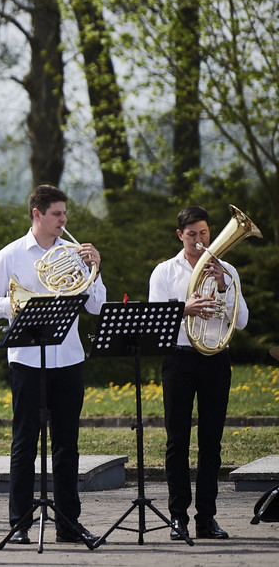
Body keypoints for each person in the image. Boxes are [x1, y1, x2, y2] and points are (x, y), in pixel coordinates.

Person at [0, 185, 105, 545]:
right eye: (57, 214)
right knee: (24, 442)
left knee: (68, 443)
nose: (64, 220)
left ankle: (68, 523)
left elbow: (95, 307)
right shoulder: (10, 255)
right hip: (27, 360)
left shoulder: (73, 253)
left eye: (65, 214)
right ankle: (19, 524)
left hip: (69, 357)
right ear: (37, 214)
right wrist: (20, 305)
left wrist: (95, 268)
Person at [149, 206, 248, 541]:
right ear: (180, 235)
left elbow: (242, 320)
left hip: (216, 359)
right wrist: (184, 309)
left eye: (204, 233)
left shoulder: (227, 270)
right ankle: (178, 518)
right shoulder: (164, 271)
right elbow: (155, 322)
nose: (199, 239)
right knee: (177, 441)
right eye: (192, 234)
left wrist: (223, 288)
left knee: (211, 442)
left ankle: (206, 518)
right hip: (179, 361)